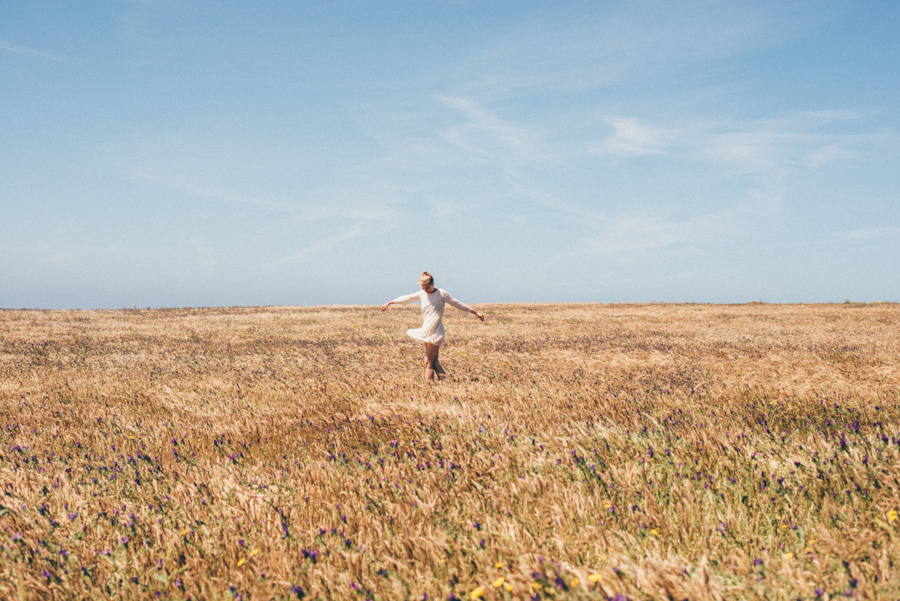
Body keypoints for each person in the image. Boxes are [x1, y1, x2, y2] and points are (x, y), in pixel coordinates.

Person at [381, 271, 485, 381]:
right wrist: (390, 303)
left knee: (427, 362)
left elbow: (457, 303)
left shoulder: (442, 293)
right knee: (434, 362)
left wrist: (475, 312)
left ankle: (428, 388)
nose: (426, 290)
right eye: (423, 288)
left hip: (436, 331)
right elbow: (407, 298)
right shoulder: (422, 294)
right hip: (427, 331)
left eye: (427, 287)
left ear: (433, 284)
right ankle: (446, 383)